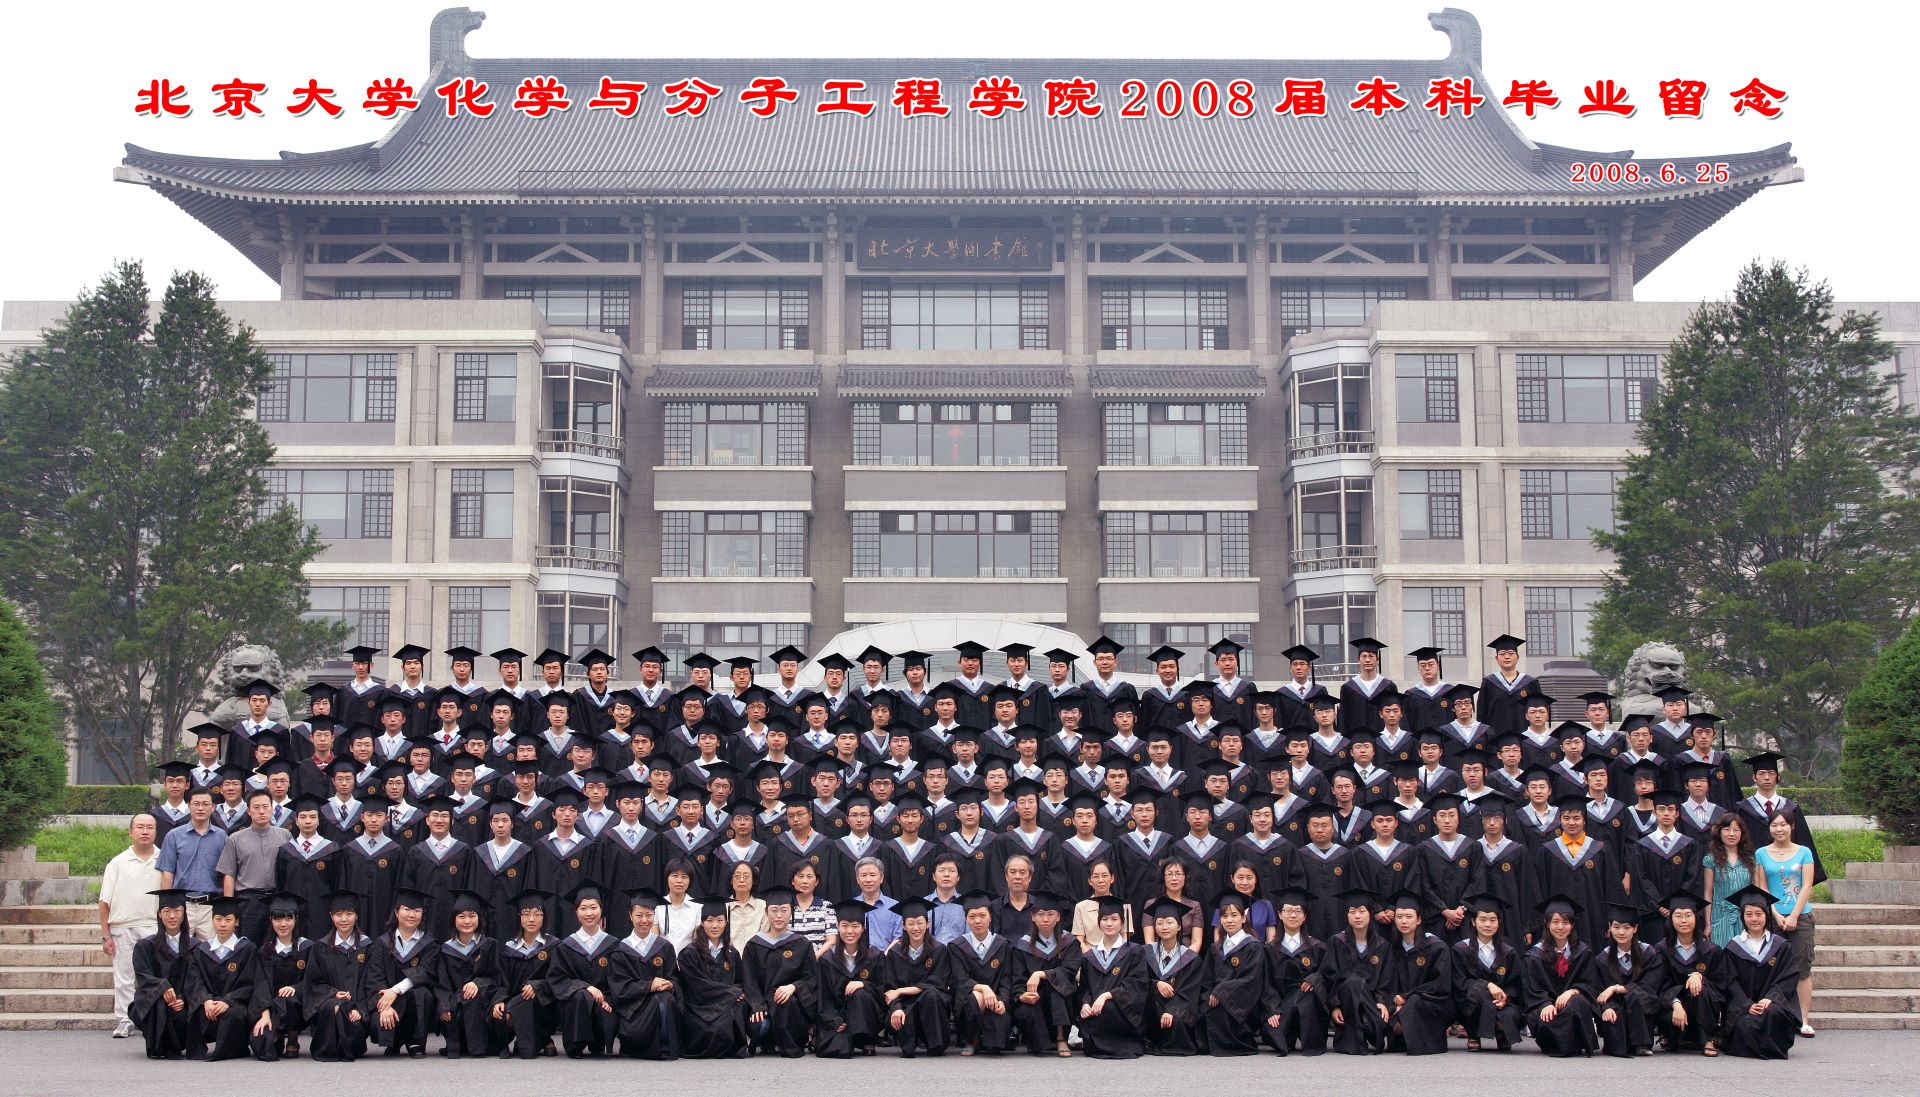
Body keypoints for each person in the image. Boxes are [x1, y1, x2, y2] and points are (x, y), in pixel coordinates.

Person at [1753, 809, 1819, 1036]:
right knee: (1773, 968)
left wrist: (1793, 915)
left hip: (1801, 917)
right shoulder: (1761, 853)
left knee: (1802, 968)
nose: (1779, 829)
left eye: (1783, 824)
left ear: (1792, 826)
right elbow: (1762, 887)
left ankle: (1804, 1019)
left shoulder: (1804, 852)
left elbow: (1807, 885)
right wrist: (1775, 914)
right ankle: (1775, 1017)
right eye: (1774, 825)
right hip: (1773, 918)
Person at [1718, 883, 1802, 1058]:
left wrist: (1769, 999)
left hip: (1772, 1004)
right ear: (1742, 917)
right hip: (1743, 1005)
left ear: (1766, 915)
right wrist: (1747, 1004)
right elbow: (1730, 982)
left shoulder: (1781, 946)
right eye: (1748, 914)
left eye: (1759, 914)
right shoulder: (1733, 947)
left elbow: (1788, 977)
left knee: (1772, 1013)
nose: (1754, 919)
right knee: (1745, 1021)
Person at [100, 812, 162, 1039]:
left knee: (153, 976)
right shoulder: (118, 862)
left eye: (150, 827)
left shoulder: (164, 859)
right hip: (123, 926)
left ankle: (152, 1018)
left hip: (153, 926)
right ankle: (125, 1020)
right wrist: (106, 936)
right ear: (131, 832)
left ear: (156, 831)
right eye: (140, 827)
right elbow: (104, 902)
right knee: (124, 977)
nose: (145, 831)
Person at [183, 894, 265, 1061]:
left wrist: (228, 1001)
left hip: (236, 1003)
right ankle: (197, 1050)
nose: (222, 924)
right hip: (209, 1003)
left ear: (236, 922)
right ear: (212, 920)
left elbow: (250, 983)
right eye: (218, 919)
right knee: (196, 1011)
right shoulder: (201, 950)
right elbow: (194, 980)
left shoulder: (247, 949)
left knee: (233, 1014)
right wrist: (205, 1000)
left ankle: (232, 1049)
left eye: (228, 920)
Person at [302, 888, 376, 1062]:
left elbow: (372, 983)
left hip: (357, 1011)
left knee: (353, 1027)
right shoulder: (320, 948)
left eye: (349, 914)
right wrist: (334, 995)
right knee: (333, 1008)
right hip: (329, 1009)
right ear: (331, 916)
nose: (344, 919)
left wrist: (360, 1009)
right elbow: (313, 984)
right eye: (338, 914)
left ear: (356, 916)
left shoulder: (368, 947)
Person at [548, 883, 622, 1057]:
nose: (589, 913)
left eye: (593, 908)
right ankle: (576, 1045)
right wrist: (585, 987)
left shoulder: (613, 945)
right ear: (576, 912)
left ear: (601, 910)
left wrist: (609, 1000)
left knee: (600, 1008)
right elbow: (557, 978)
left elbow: (618, 979)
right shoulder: (565, 946)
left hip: (605, 1003)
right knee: (581, 995)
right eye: (583, 908)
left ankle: (598, 1042)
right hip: (575, 1005)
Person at [743, 884, 817, 1057]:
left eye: (784, 910)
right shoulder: (754, 944)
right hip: (762, 1004)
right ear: (766, 912)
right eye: (774, 910)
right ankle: (770, 1036)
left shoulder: (802, 944)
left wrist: (794, 987)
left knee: (787, 1005)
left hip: (790, 1008)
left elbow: (812, 977)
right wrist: (757, 1006)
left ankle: (786, 1037)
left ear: (791, 912)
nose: (778, 916)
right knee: (761, 1028)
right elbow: (749, 980)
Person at [1522, 894, 1600, 1057]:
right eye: (1555, 922)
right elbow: (1531, 988)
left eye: (1565, 922)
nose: (1560, 927)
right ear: (1547, 924)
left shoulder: (1583, 952)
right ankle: (1562, 1043)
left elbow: (1590, 983)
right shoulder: (1534, 956)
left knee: (1578, 1001)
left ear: (1572, 925)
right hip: (1546, 1008)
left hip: (1572, 1006)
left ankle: (1571, 1043)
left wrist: (1572, 991)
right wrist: (1544, 1003)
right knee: (1547, 1017)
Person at [367, 886, 440, 1057]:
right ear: (396, 912)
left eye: (417, 910)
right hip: (387, 998)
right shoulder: (381, 944)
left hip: (415, 1000)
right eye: (407, 909)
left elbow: (426, 972)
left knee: (422, 993)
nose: (411, 915)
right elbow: (375, 978)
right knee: (378, 1020)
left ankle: (415, 1042)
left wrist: (395, 990)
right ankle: (395, 1039)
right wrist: (385, 1005)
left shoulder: (429, 944)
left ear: (422, 914)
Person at [609, 889, 680, 1060]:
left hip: (661, 1003)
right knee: (659, 1000)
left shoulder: (664, 947)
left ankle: (665, 1046)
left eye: (649, 915)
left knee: (665, 998)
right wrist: (649, 986)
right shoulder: (620, 950)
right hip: (634, 1011)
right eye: (639, 915)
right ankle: (638, 1043)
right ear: (630, 916)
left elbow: (675, 978)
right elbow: (619, 988)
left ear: (654, 916)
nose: (644, 920)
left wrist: (671, 984)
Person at [677, 896, 751, 1059]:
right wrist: (731, 993)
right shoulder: (689, 953)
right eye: (709, 920)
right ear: (702, 923)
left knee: (738, 1006)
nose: (715, 925)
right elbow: (696, 985)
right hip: (699, 1007)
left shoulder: (732, 953)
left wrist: (736, 992)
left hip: (726, 1005)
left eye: (719, 920)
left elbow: (740, 982)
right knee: (714, 1028)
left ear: (726, 923)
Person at [1078, 896, 1151, 1059]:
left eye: (1114, 919)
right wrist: (1085, 1003)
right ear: (1099, 923)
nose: (1109, 923)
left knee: (1109, 1006)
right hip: (1095, 1012)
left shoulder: (1134, 951)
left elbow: (1137, 985)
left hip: (1122, 1012)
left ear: (1122, 923)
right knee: (1091, 1011)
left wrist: (1107, 995)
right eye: (1104, 919)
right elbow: (1085, 987)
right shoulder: (1090, 956)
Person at [1009, 889, 1080, 1057]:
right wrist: (1022, 995)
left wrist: (1041, 974)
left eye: (1050, 914)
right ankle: (1036, 1041)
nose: (1045, 919)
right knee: (1026, 1007)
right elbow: (1018, 980)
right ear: (1033, 917)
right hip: (1035, 997)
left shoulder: (1069, 942)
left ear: (1058, 917)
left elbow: (1069, 971)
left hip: (1063, 997)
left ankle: (1061, 1038)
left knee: (1057, 988)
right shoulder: (1023, 946)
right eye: (1040, 914)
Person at [1381, 890, 1453, 1054]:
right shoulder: (1392, 949)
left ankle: (1423, 1041)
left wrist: (1406, 997)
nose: (1403, 921)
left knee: (1414, 1002)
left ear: (1419, 919)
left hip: (1433, 1003)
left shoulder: (1436, 947)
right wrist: (1394, 1002)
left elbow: (1440, 985)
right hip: (1400, 1003)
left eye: (1409, 916)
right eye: (1399, 917)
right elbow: (1387, 982)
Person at [1202, 891, 1273, 1055]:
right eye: (1224, 916)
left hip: (1243, 1005)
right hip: (1216, 999)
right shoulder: (1216, 948)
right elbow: (1206, 980)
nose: (1229, 920)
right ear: (1220, 920)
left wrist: (1221, 992)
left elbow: (1252, 980)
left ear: (1243, 918)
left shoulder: (1253, 946)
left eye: (1234, 915)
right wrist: (1209, 995)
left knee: (1219, 1011)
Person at [947, 888, 1016, 1055]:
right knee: (974, 997)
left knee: (995, 1048)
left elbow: (1007, 979)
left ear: (990, 917)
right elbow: (959, 980)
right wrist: (983, 989)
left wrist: (1002, 1000)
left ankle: (991, 1038)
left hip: (996, 1001)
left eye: (982, 915)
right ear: (966, 919)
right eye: (972, 916)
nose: (977, 921)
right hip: (969, 1003)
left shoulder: (1002, 945)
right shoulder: (957, 946)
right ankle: (972, 1040)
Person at [129, 888, 196, 1059]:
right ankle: (157, 1045)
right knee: (153, 1008)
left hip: (183, 1003)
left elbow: (197, 979)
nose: (172, 916)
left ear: (184, 914)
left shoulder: (196, 947)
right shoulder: (146, 946)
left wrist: (184, 998)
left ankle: (170, 1045)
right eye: (166, 911)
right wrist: (162, 987)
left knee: (184, 1015)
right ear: (159, 914)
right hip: (155, 1001)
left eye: (177, 911)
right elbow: (143, 975)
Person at [1655, 889, 1723, 1056]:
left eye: (1688, 915)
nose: (1683, 920)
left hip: (1703, 1007)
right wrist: (1675, 1002)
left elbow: (1721, 986)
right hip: (1674, 1008)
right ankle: (1676, 1038)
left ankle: (1706, 1039)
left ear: (1696, 918)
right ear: (1671, 919)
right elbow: (1659, 984)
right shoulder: (1661, 950)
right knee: (1667, 1017)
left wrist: (1699, 976)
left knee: (1700, 989)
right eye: (1678, 916)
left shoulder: (1711, 950)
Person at [1262, 887, 1330, 1055]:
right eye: (1288, 911)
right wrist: (1272, 1010)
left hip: (1310, 1012)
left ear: (1305, 916)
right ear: (1280, 914)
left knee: (1307, 992)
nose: (1293, 915)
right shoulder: (1269, 949)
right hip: (1281, 1007)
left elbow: (1328, 974)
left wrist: (1315, 978)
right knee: (1276, 1034)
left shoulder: (1318, 947)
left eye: (1298, 911)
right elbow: (1266, 984)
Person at [1452, 892, 1522, 1052]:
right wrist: (1488, 985)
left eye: (1492, 920)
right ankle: (1474, 1034)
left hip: (1501, 1002)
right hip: (1471, 1002)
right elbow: (1459, 982)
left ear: (1499, 923)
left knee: (1510, 1013)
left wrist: (1506, 998)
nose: (1487, 924)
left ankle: (1501, 1032)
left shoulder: (1508, 952)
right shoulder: (1461, 949)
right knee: (1479, 997)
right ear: (1473, 922)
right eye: (1482, 919)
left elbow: (1515, 983)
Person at [1593, 903, 1666, 1056]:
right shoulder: (1602, 959)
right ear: (1610, 928)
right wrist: (1606, 1008)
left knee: (1634, 996)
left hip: (1642, 1011)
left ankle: (1641, 1043)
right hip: (1615, 1011)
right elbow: (1598, 990)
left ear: (1635, 928)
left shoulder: (1650, 954)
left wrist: (1617, 988)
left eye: (1627, 927)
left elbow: (1650, 987)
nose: (1621, 932)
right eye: (1616, 927)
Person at [814, 900, 885, 1057]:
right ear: (838, 927)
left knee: (861, 993)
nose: (850, 931)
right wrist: (834, 1020)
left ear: (863, 928)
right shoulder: (827, 959)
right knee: (836, 1050)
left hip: (865, 1017)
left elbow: (882, 991)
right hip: (838, 1016)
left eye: (855, 926)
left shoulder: (874, 956)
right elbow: (824, 996)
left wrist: (863, 984)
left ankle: (866, 1039)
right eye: (845, 926)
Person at [1323, 888, 1390, 1055]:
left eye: (1362, 911)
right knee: (1353, 982)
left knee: (1357, 985)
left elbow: (1387, 979)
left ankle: (1368, 1024)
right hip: (1345, 1007)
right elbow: (1330, 977)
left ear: (1370, 914)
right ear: (1347, 915)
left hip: (1372, 1004)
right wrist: (1335, 1006)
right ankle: (1363, 1029)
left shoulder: (1382, 946)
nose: (1357, 916)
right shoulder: (1336, 942)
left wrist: (1381, 1001)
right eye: (1352, 912)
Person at [434, 890, 500, 1059]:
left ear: (479, 918)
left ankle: (479, 1046)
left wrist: (478, 983)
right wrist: (444, 1005)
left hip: (483, 1004)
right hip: (456, 1005)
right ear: (454, 919)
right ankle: (461, 1044)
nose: (467, 921)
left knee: (473, 996)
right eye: (461, 916)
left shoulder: (489, 945)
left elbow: (497, 978)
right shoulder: (445, 949)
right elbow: (441, 983)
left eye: (472, 916)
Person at [493, 889, 558, 1059]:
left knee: (529, 1001)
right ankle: (532, 1039)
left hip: (544, 1004)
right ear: (519, 917)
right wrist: (499, 1000)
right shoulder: (509, 948)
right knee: (504, 1015)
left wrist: (538, 986)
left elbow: (559, 978)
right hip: (515, 1002)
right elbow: (502, 981)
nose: (531, 919)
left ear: (544, 917)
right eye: (526, 914)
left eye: (537, 914)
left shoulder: (554, 946)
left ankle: (542, 1037)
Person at [155, 787, 227, 939]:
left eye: (205, 804)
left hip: (209, 905)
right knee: (178, 946)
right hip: (182, 904)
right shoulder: (174, 836)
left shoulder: (221, 837)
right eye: (196, 804)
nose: (200, 808)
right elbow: (168, 873)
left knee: (209, 949)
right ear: (188, 806)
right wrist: (167, 905)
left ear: (213, 807)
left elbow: (226, 873)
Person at [1140, 895, 1204, 1056]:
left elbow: (1190, 991)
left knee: (1178, 1022)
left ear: (1179, 926)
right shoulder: (1145, 953)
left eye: (1170, 922)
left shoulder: (1190, 958)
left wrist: (1172, 1011)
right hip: (1152, 1008)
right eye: (1159, 923)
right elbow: (1137, 981)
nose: (1164, 927)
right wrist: (1156, 983)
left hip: (1178, 1008)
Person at [257, 893, 311, 1059]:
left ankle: (293, 1038)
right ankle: (277, 1032)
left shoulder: (307, 948)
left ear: (296, 919)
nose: (283, 924)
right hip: (272, 1008)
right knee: (261, 1044)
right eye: (278, 919)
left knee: (289, 997)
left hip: (299, 1006)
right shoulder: (264, 951)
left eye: (288, 918)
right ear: (271, 920)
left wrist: (296, 988)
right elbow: (260, 984)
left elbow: (314, 979)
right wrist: (265, 1013)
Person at [1702, 813, 1756, 945]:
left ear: (1742, 833)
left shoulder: (1751, 860)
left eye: (1736, 830)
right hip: (1720, 915)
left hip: (1744, 915)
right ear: (1719, 832)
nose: (1731, 834)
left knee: (1745, 952)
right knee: (1721, 952)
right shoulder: (1710, 860)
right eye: (1727, 829)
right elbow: (1708, 893)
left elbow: (1755, 890)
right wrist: (1708, 924)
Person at [725, 862, 771, 951]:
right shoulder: (723, 906)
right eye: (737, 876)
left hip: (756, 956)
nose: (742, 880)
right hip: (729, 956)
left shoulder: (763, 906)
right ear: (731, 880)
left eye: (746, 876)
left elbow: (764, 936)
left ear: (753, 880)